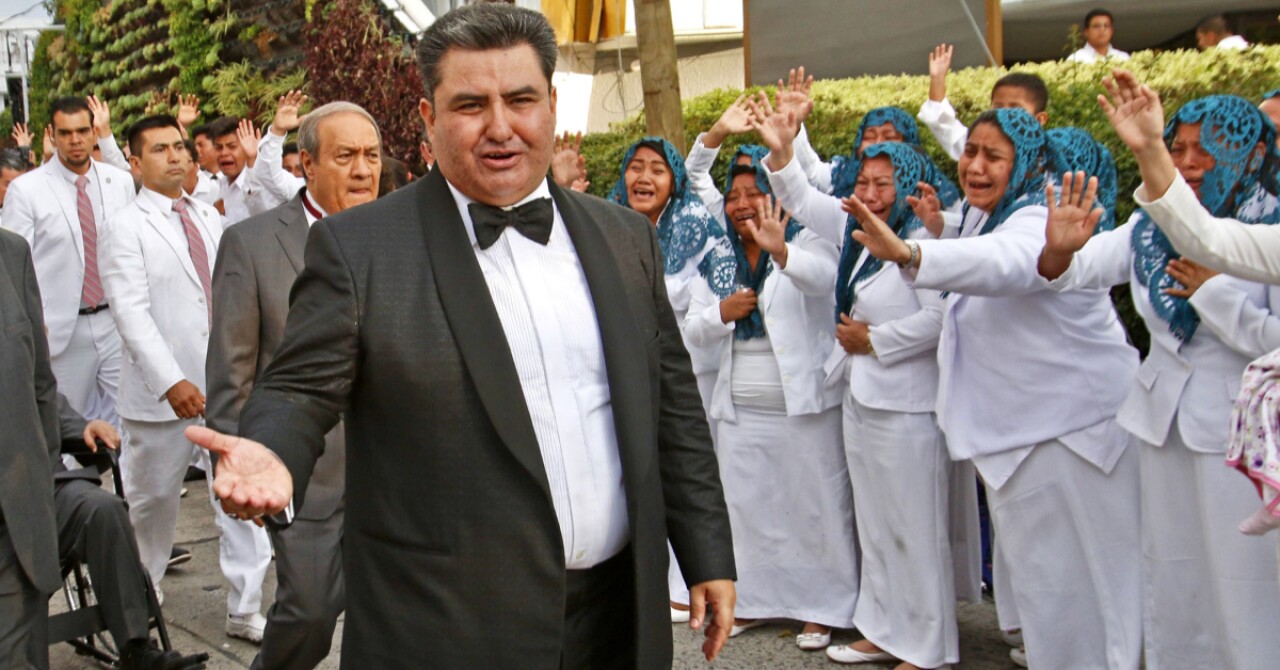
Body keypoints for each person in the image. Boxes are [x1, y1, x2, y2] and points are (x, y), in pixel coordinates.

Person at [185, 4, 736, 668]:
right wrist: (272, 450)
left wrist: (707, 553)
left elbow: (673, 408)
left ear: (552, 104)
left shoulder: (625, 238)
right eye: (471, 105)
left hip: (619, 617)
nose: (500, 127)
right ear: (429, 118)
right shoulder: (359, 248)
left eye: (521, 100)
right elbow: (298, 390)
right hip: (447, 626)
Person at [850, 108, 1142, 670]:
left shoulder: (1036, 218)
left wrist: (912, 252)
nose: (975, 166)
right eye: (970, 151)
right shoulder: (989, 216)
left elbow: (1007, 262)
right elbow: (979, 248)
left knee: (1098, 595)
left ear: (1027, 163)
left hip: (1074, 437)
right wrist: (935, 232)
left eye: (994, 156)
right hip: (1028, 440)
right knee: (1053, 598)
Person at [1040, 94, 1280, 670]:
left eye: (1208, 148)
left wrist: (1212, 294)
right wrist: (1058, 250)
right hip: (1160, 425)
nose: (1190, 161)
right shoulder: (1149, 226)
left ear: (1252, 154)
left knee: (1243, 584)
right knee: (1173, 578)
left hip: (1240, 438)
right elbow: (1069, 273)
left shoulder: (1268, 225)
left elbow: (1273, 343)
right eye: (1179, 147)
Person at [207, 101, 381, 670]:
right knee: (309, 613)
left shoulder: (406, 236)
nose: (363, 170)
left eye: (372, 155)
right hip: (306, 476)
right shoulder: (252, 244)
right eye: (346, 156)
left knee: (395, 622)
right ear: (306, 163)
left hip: (396, 474)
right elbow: (231, 368)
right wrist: (239, 462)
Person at [99, 115, 273, 644]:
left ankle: (245, 606)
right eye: (160, 149)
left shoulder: (208, 216)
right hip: (162, 401)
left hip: (225, 386)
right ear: (134, 162)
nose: (175, 156)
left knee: (239, 498)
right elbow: (130, 313)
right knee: (152, 506)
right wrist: (170, 380)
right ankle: (141, 599)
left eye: (179, 146)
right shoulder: (124, 226)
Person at [679, 150, 855, 652]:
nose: (740, 204)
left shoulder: (808, 239)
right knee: (747, 511)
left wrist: (782, 254)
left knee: (815, 509)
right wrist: (722, 313)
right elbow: (693, 330)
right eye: (733, 196)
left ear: (776, 196)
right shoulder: (716, 258)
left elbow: (823, 279)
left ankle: (822, 609)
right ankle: (753, 600)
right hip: (740, 410)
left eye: (753, 193)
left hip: (802, 407)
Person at [2, 96, 135, 432]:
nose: (75, 140)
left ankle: (123, 471)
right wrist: (31, 323)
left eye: (82, 131)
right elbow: (13, 265)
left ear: (94, 132)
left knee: (130, 421)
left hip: (116, 322)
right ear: (52, 134)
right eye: (65, 133)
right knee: (69, 427)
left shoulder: (118, 182)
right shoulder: (26, 190)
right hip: (60, 329)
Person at [52, 396, 211, 670]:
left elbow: (56, 413)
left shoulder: (23, 370)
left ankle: (135, 647)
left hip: (47, 489)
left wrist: (87, 429)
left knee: (105, 509)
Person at [919, 44, 1050, 160]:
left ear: (1040, 119)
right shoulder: (977, 145)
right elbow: (942, 122)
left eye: (1015, 109)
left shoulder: (1051, 157)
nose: (1004, 114)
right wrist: (937, 79)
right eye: (998, 107)